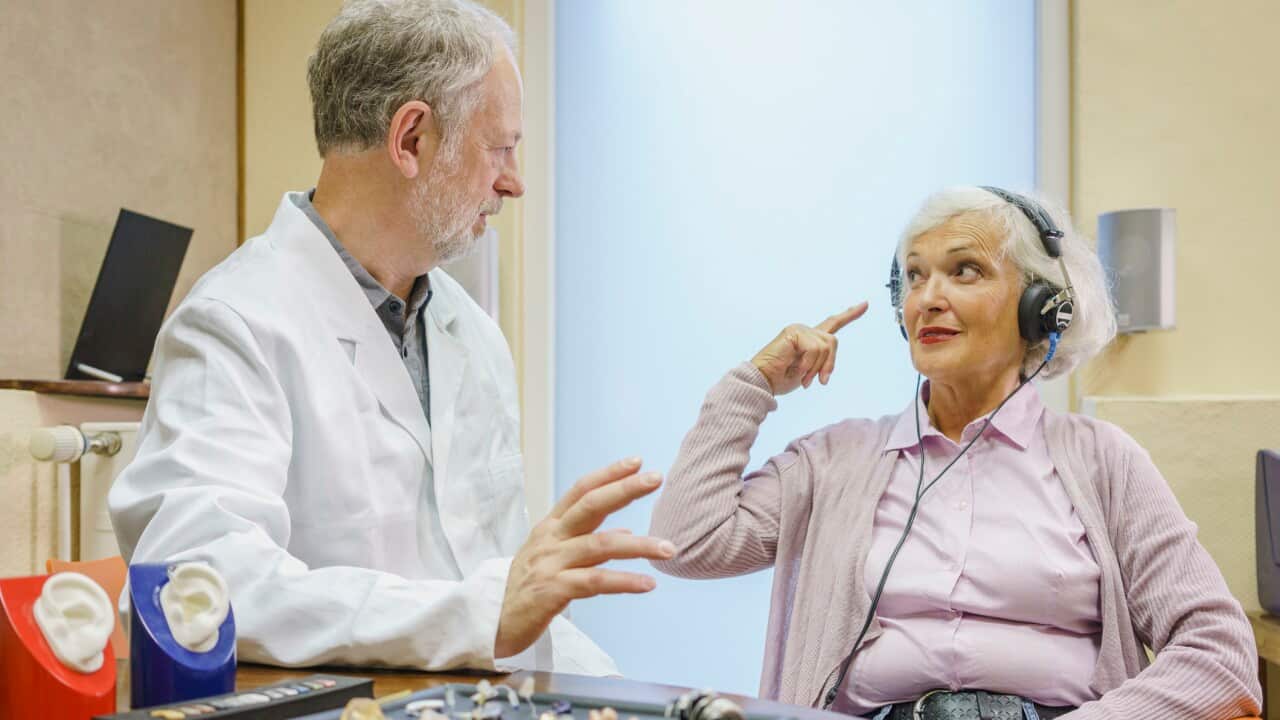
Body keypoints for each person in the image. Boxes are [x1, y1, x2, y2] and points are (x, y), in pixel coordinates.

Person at [109, 0, 674, 674]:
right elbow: (197, 580)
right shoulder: (236, 324)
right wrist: (473, 617)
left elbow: (505, 593)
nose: (514, 182)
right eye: (501, 148)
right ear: (410, 140)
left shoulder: (471, 333)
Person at [648, 186, 1261, 719]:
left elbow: (1217, 651)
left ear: (1040, 307)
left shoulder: (1104, 460)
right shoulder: (836, 459)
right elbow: (688, 543)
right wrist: (752, 385)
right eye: (915, 276)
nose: (927, 299)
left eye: (964, 270)